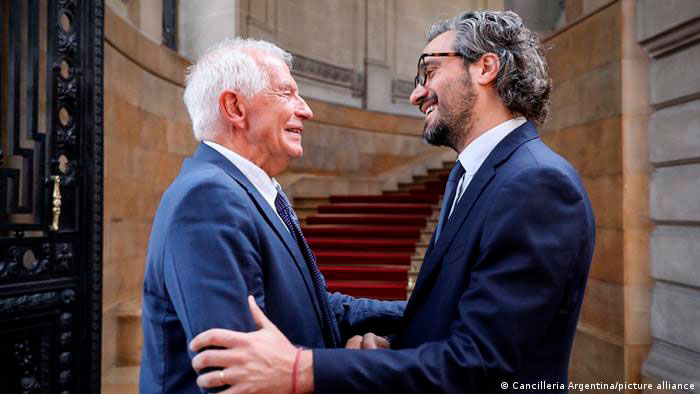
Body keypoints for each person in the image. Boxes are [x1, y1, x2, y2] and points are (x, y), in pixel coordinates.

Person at [188, 10, 596, 394]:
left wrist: (304, 369)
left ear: (485, 68)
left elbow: (484, 365)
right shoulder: (466, 175)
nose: (417, 93)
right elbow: (453, 314)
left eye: (429, 70)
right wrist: (395, 347)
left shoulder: (537, 183)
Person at [139, 38, 405, 394]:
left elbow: (316, 307)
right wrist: (355, 367)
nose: (306, 110)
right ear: (234, 107)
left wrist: (427, 309)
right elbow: (239, 374)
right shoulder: (208, 198)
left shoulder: (252, 191)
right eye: (286, 93)